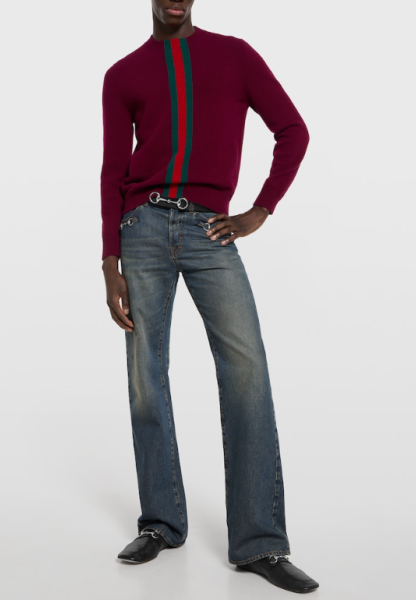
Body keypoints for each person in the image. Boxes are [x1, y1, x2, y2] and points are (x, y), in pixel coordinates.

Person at [100, 0, 318, 593]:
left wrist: (260, 210)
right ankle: (162, 522)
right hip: (141, 229)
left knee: (246, 370)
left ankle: (260, 542)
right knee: (146, 375)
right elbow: (113, 170)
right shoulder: (122, 75)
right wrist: (110, 260)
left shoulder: (234, 56)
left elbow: (292, 130)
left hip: (210, 230)